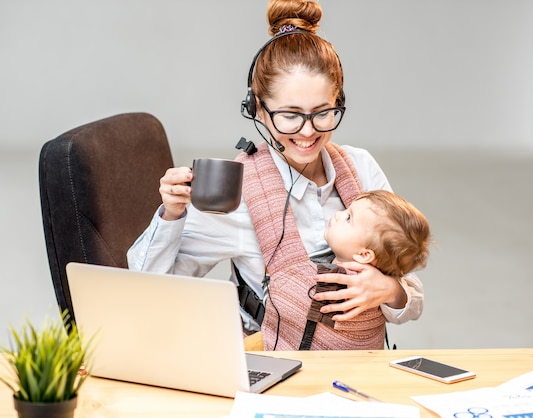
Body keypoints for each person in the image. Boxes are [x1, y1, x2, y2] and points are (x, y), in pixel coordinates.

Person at [128, 0, 425, 351]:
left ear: (338, 101)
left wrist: (391, 290)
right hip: (277, 372)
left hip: (362, 371)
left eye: (323, 112)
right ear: (257, 109)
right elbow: (146, 289)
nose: (307, 131)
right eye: (290, 115)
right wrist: (171, 214)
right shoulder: (235, 192)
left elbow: (409, 294)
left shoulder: (361, 169)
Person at [301, 189, 430, 349]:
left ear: (363, 254)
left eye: (348, 218)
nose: (338, 214)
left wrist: (392, 290)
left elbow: (414, 302)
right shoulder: (323, 257)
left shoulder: (369, 284)